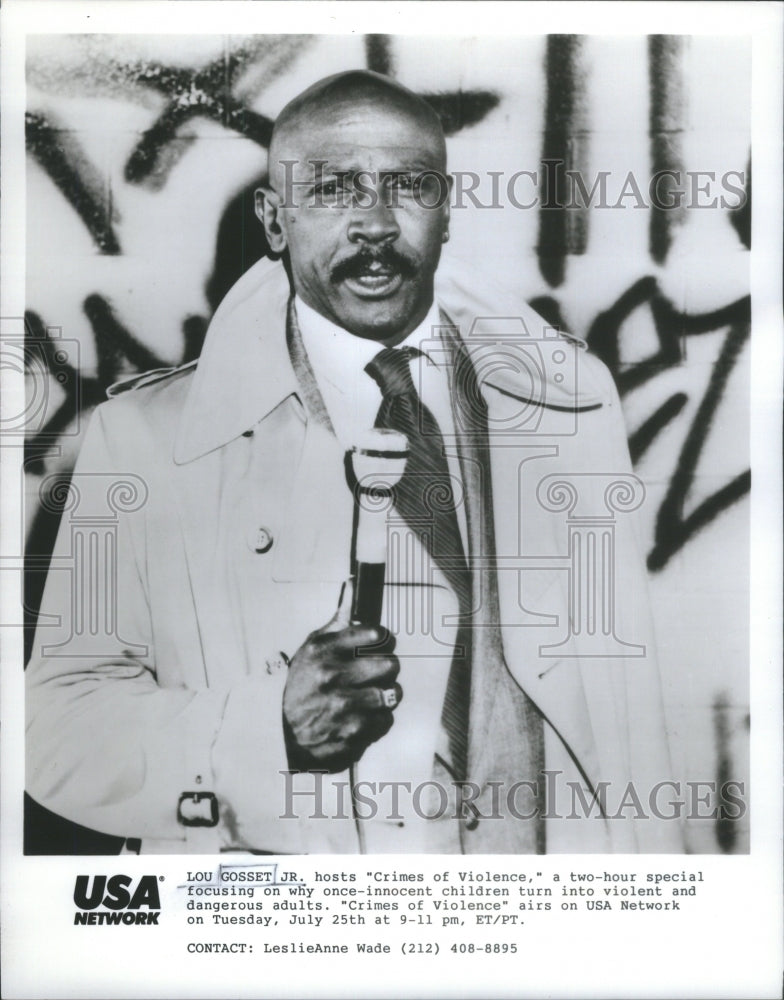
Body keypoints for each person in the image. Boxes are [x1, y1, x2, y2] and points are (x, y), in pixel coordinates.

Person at [26, 71, 682, 854]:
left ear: (447, 208)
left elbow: (629, 722)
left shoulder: (569, 407)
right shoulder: (142, 442)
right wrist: (265, 727)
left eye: (407, 185)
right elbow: (55, 732)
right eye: (335, 189)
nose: (374, 223)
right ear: (277, 220)